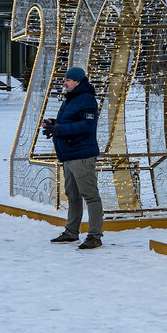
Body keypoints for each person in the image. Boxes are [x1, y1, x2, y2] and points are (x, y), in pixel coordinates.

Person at [41, 66, 103, 249]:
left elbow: (87, 126)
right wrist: (54, 123)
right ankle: (71, 232)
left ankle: (95, 236)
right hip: (69, 154)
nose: (64, 83)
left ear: (77, 82)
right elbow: (70, 121)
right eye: (65, 80)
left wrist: (60, 129)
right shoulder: (71, 99)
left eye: (68, 80)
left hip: (82, 155)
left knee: (90, 196)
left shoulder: (87, 99)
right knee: (73, 196)